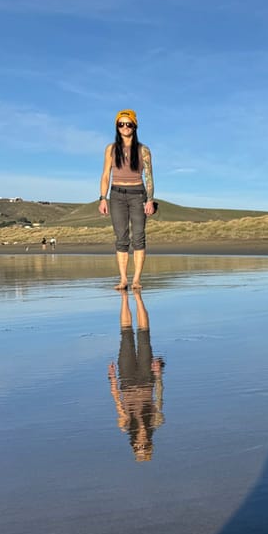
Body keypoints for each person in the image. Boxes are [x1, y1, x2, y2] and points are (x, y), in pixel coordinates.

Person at [98, 109, 156, 290]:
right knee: (121, 238)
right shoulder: (110, 149)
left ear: (134, 126)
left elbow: (149, 177)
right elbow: (105, 175)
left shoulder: (143, 150)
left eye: (128, 124)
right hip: (116, 195)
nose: (125, 127)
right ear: (117, 126)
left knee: (138, 237)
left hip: (138, 194)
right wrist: (103, 198)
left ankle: (136, 280)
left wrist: (150, 199)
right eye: (121, 124)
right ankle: (123, 279)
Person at [108, 289, 165, 462]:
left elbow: (117, 401)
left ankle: (124, 298)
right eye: (145, 447)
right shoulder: (156, 422)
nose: (141, 444)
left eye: (139, 447)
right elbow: (159, 398)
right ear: (150, 444)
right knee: (143, 336)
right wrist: (158, 375)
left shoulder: (125, 424)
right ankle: (138, 297)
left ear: (133, 445)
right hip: (146, 380)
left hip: (126, 381)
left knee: (126, 336)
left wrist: (112, 379)